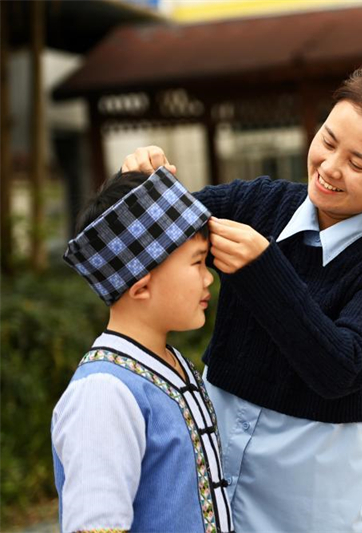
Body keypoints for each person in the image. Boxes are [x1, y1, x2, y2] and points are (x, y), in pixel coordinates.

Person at [120, 64, 362, 532]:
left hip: (309, 480)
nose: (330, 168)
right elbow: (148, 240)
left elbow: (341, 367)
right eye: (328, 141)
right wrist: (142, 186)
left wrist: (262, 268)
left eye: (358, 163)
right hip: (210, 441)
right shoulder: (259, 202)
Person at [53, 168, 233, 532]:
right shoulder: (103, 393)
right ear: (140, 286)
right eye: (197, 262)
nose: (208, 276)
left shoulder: (172, 364)